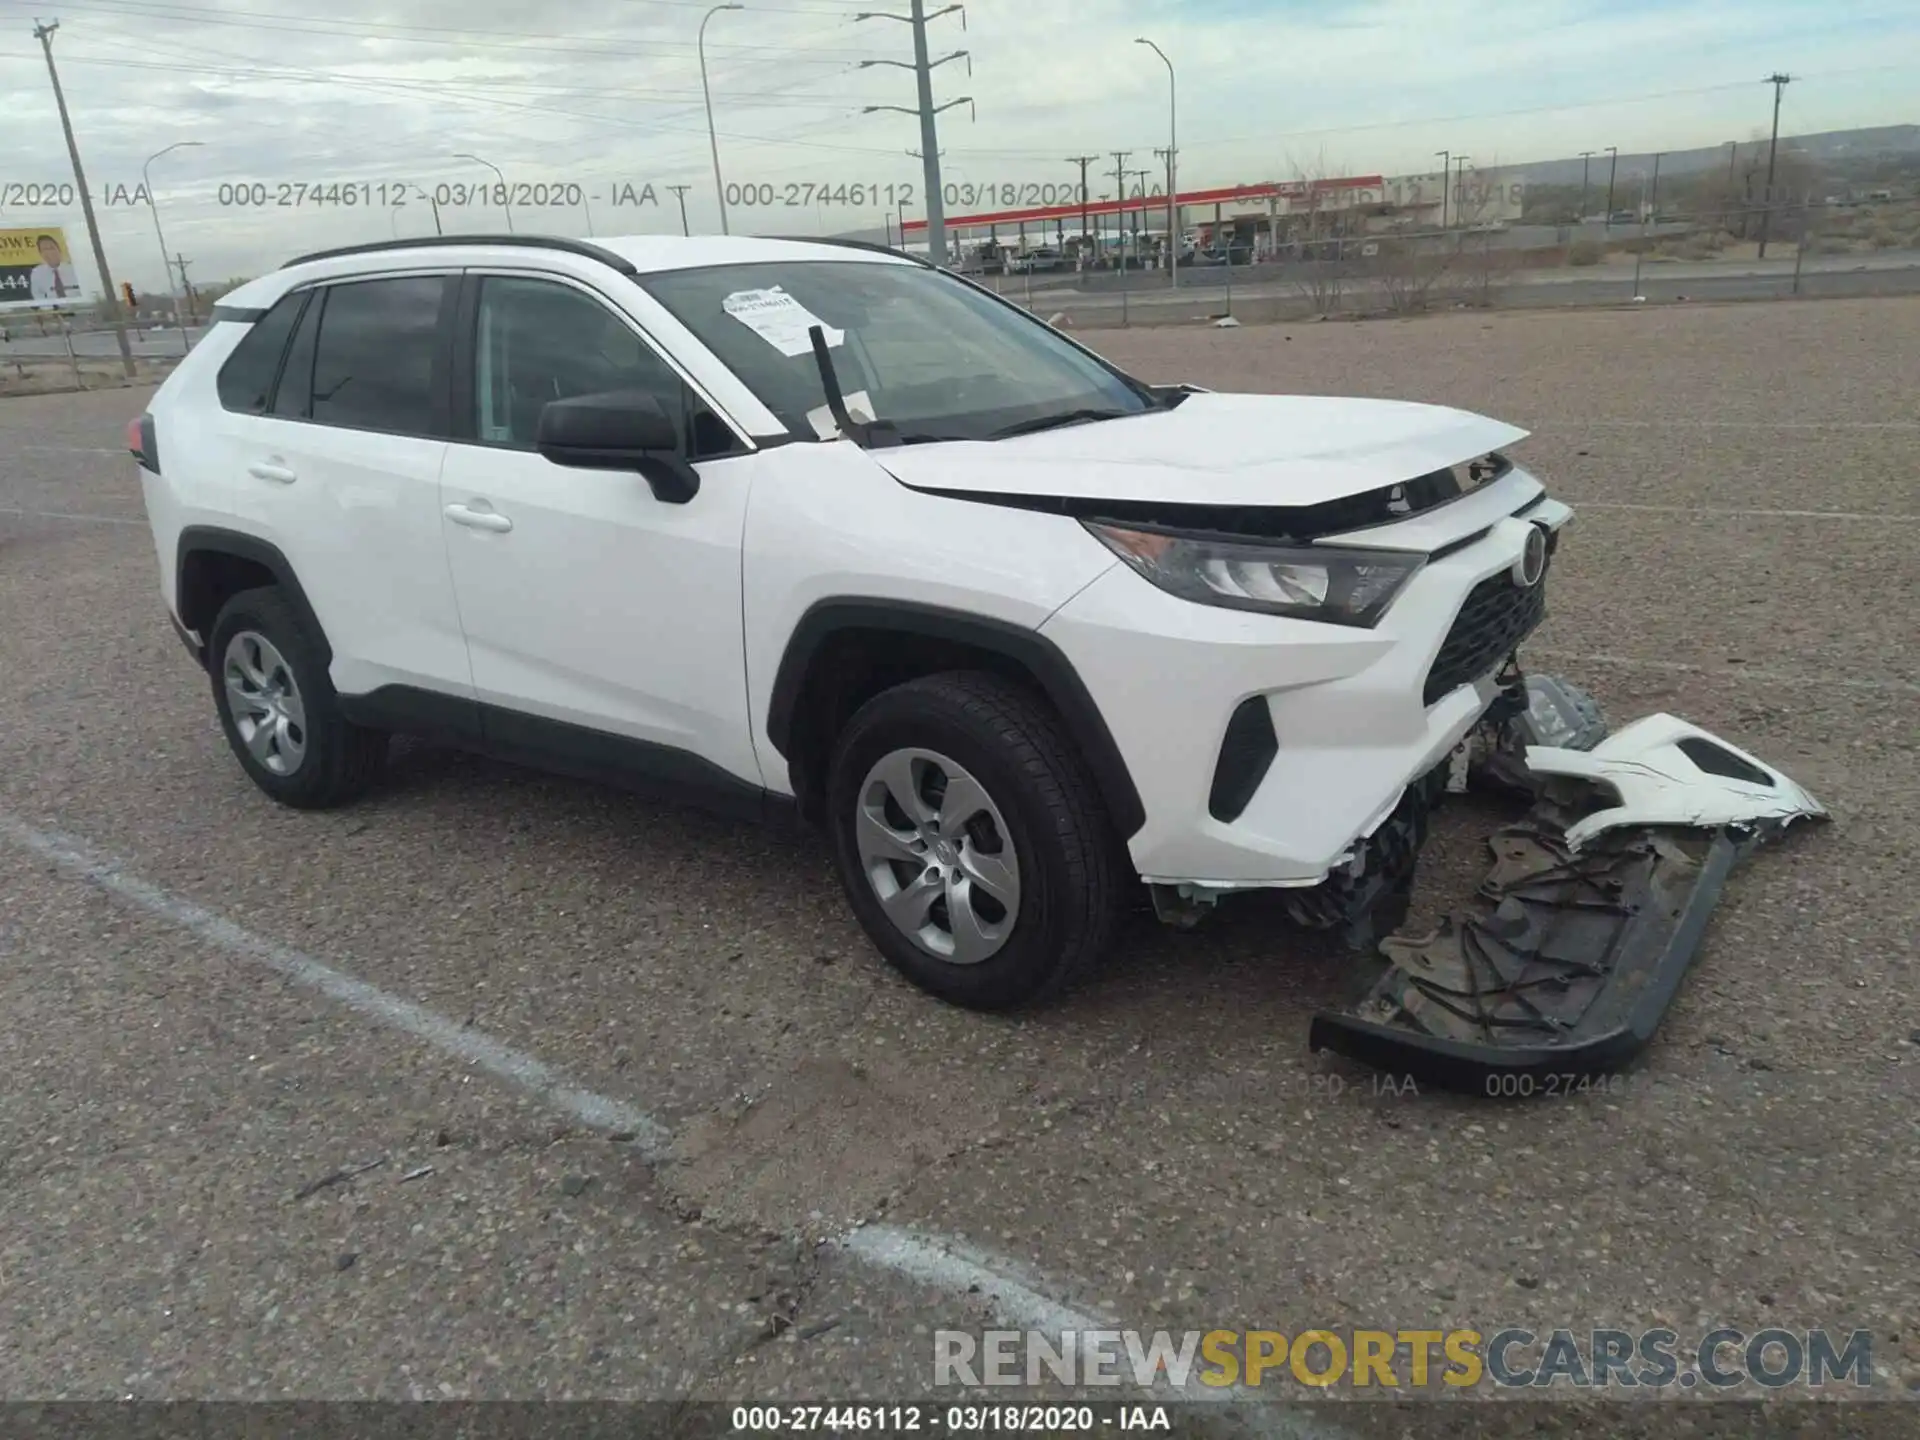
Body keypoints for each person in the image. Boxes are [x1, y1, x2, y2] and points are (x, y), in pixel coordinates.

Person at [29, 234, 80, 302]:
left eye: (51, 248)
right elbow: (37, 295)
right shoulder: (37, 273)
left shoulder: (74, 268)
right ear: (41, 254)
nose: (49, 252)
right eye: (45, 249)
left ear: (59, 249)